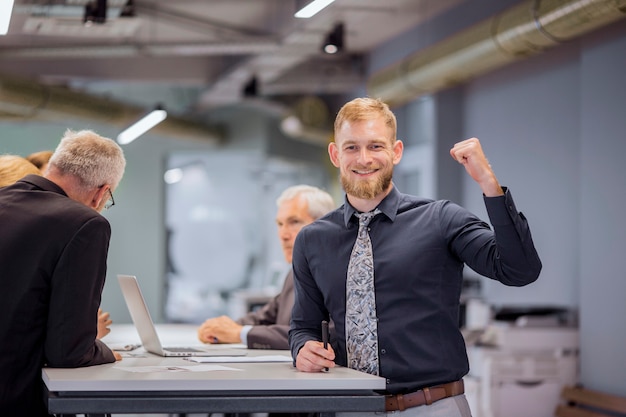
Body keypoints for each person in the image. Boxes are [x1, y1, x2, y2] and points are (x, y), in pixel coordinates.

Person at [289, 97, 542, 417]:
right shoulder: (313, 240)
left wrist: (488, 183)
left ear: (396, 152)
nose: (364, 159)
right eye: (352, 147)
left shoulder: (441, 219)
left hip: (432, 407)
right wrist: (303, 349)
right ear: (335, 154)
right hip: (349, 407)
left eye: (376, 146)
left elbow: (520, 271)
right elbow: (303, 325)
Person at [0, 129, 126, 416]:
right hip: (15, 397)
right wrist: (102, 351)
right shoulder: (84, 223)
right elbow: (68, 352)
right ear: (101, 193)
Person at [198, 184, 336, 350]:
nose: (284, 235)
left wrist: (239, 333)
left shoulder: (337, 275)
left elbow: (321, 336)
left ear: (323, 225)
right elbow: (265, 317)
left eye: (294, 222)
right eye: (279, 224)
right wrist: (221, 328)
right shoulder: (294, 274)